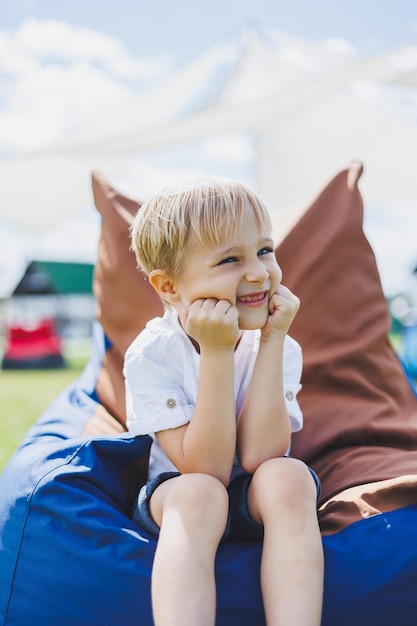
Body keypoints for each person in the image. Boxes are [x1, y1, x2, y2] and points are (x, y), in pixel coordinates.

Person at [123, 176, 324, 626]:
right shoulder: (154, 353)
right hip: (182, 489)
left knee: (289, 477)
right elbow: (207, 469)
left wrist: (272, 340)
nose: (259, 273)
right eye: (231, 259)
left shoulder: (278, 344)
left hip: (250, 494)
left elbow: (261, 455)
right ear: (171, 288)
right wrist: (216, 352)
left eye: (265, 251)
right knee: (199, 494)